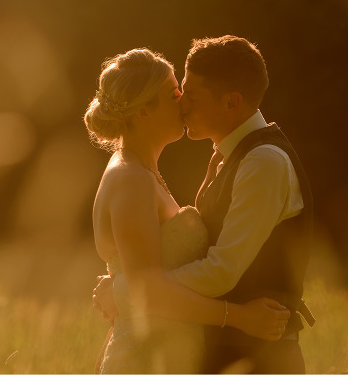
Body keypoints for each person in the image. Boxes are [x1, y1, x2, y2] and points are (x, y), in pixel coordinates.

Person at [93, 36, 315, 374]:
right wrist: (136, 291)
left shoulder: (261, 161)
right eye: (176, 94)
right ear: (142, 111)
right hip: (191, 353)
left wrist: (125, 292)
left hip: (262, 356)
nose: (183, 105)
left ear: (231, 102)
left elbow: (220, 271)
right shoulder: (136, 177)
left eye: (188, 96)